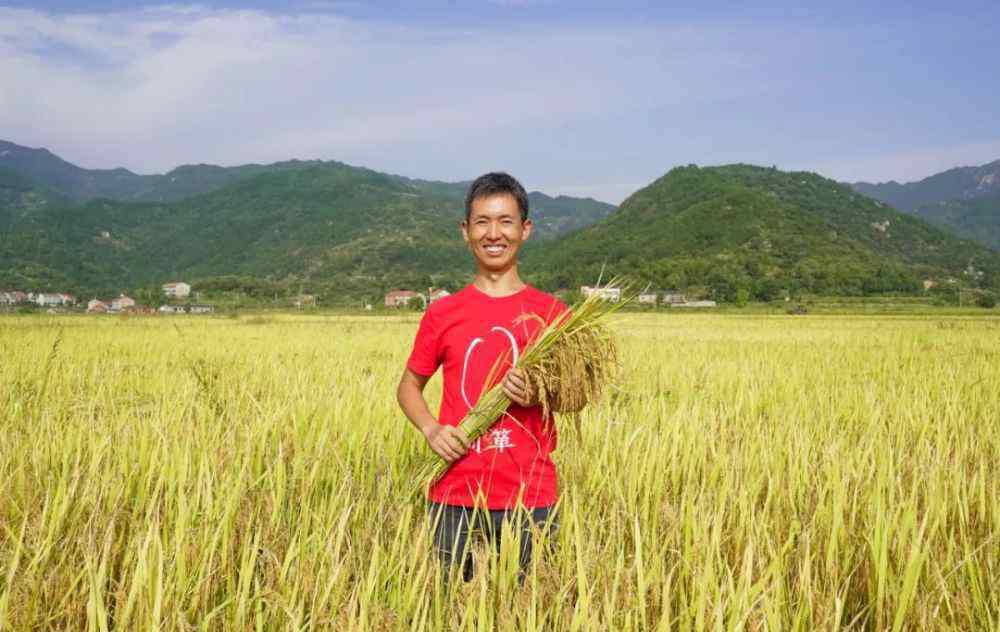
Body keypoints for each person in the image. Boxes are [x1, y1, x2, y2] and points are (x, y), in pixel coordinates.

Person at [396, 172, 568, 585]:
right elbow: (408, 386)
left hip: (530, 496)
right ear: (466, 231)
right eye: (483, 222)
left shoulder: (552, 314)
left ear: (525, 229)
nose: (495, 233)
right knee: (449, 608)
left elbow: (573, 396)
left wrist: (541, 391)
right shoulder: (443, 313)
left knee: (531, 611)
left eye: (506, 221)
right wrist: (431, 429)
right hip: (455, 490)